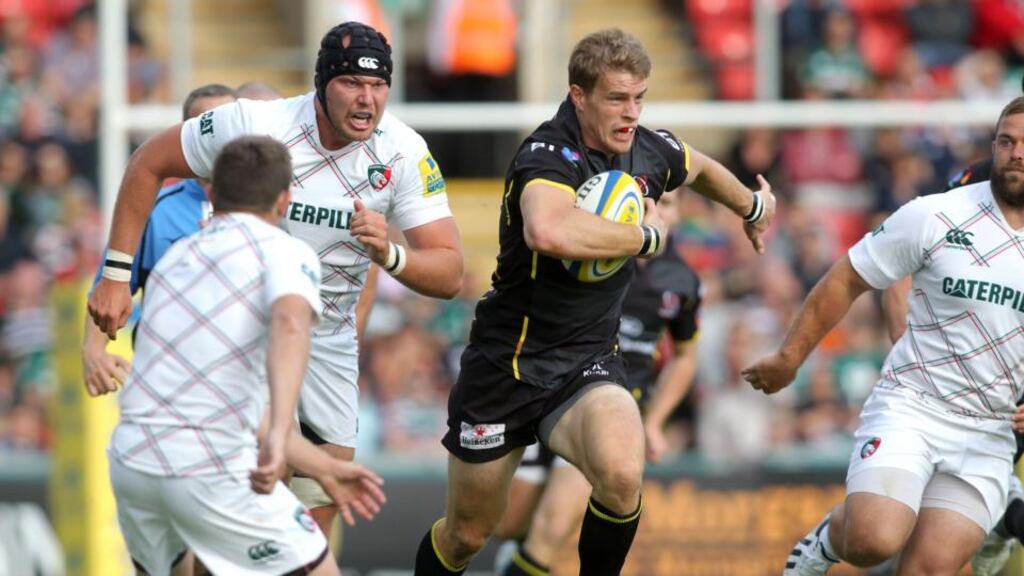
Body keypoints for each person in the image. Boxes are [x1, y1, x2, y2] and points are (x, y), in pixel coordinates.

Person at [413, 28, 774, 576]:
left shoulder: (647, 147)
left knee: (622, 475)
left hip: (587, 361)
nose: (631, 113)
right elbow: (549, 232)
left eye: (639, 98)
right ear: (578, 96)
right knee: (468, 534)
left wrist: (750, 206)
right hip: (507, 366)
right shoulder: (546, 154)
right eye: (616, 99)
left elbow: (697, 166)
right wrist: (646, 239)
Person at [87, 22, 463, 542]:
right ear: (322, 83)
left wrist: (391, 253)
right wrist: (114, 273)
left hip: (328, 340)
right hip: (248, 330)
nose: (367, 99)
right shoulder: (255, 123)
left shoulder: (403, 152)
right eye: (352, 82)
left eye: (378, 86)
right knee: (259, 493)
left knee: (317, 517)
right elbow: (148, 162)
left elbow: (450, 271)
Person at [744, 97, 1024, 575]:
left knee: (929, 569)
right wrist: (789, 358)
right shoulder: (938, 214)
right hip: (914, 405)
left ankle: (1000, 515)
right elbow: (847, 278)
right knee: (874, 538)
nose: (1015, 153)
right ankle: (827, 540)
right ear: (992, 147)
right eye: (1006, 141)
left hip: (990, 429)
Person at [108, 135, 386, 576]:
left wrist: (320, 465)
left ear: (213, 193)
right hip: (208, 464)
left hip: (132, 462)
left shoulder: (176, 260)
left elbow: (217, 394)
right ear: (285, 200)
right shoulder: (286, 251)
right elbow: (292, 323)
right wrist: (280, 435)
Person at [493, 189, 702, 575]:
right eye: (649, 200)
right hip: (553, 397)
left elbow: (686, 357)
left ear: (681, 210)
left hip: (610, 414)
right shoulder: (588, 252)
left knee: (550, 532)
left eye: (668, 204)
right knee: (506, 526)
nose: (656, 211)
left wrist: (654, 422)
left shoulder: (682, 280)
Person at [881, 152, 1024, 576]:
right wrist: (906, 348)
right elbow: (908, 255)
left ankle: (1002, 512)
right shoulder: (989, 179)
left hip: (1010, 383)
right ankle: (1004, 512)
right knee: (899, 530)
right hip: (955, 368)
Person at [81, 83, 236, 397]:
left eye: (226, 125)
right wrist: (92, 351)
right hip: (167, 383)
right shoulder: (152, 210)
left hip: (241, 380)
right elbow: (108, 289)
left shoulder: (271, 207)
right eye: (207, 126)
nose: (217, 138)